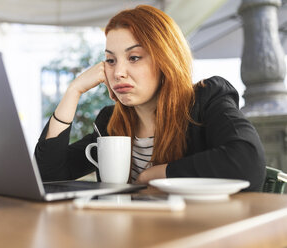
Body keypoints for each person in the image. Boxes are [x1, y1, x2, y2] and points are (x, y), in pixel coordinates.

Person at [35, 5, 266, 191]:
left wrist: (157, 173)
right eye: (111, 60)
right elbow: (49, 176)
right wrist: (73, 91)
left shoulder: (206, 99)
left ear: (165, 59)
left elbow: (247, 162)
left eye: (134, 57)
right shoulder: (111, 122)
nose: (118, 73)